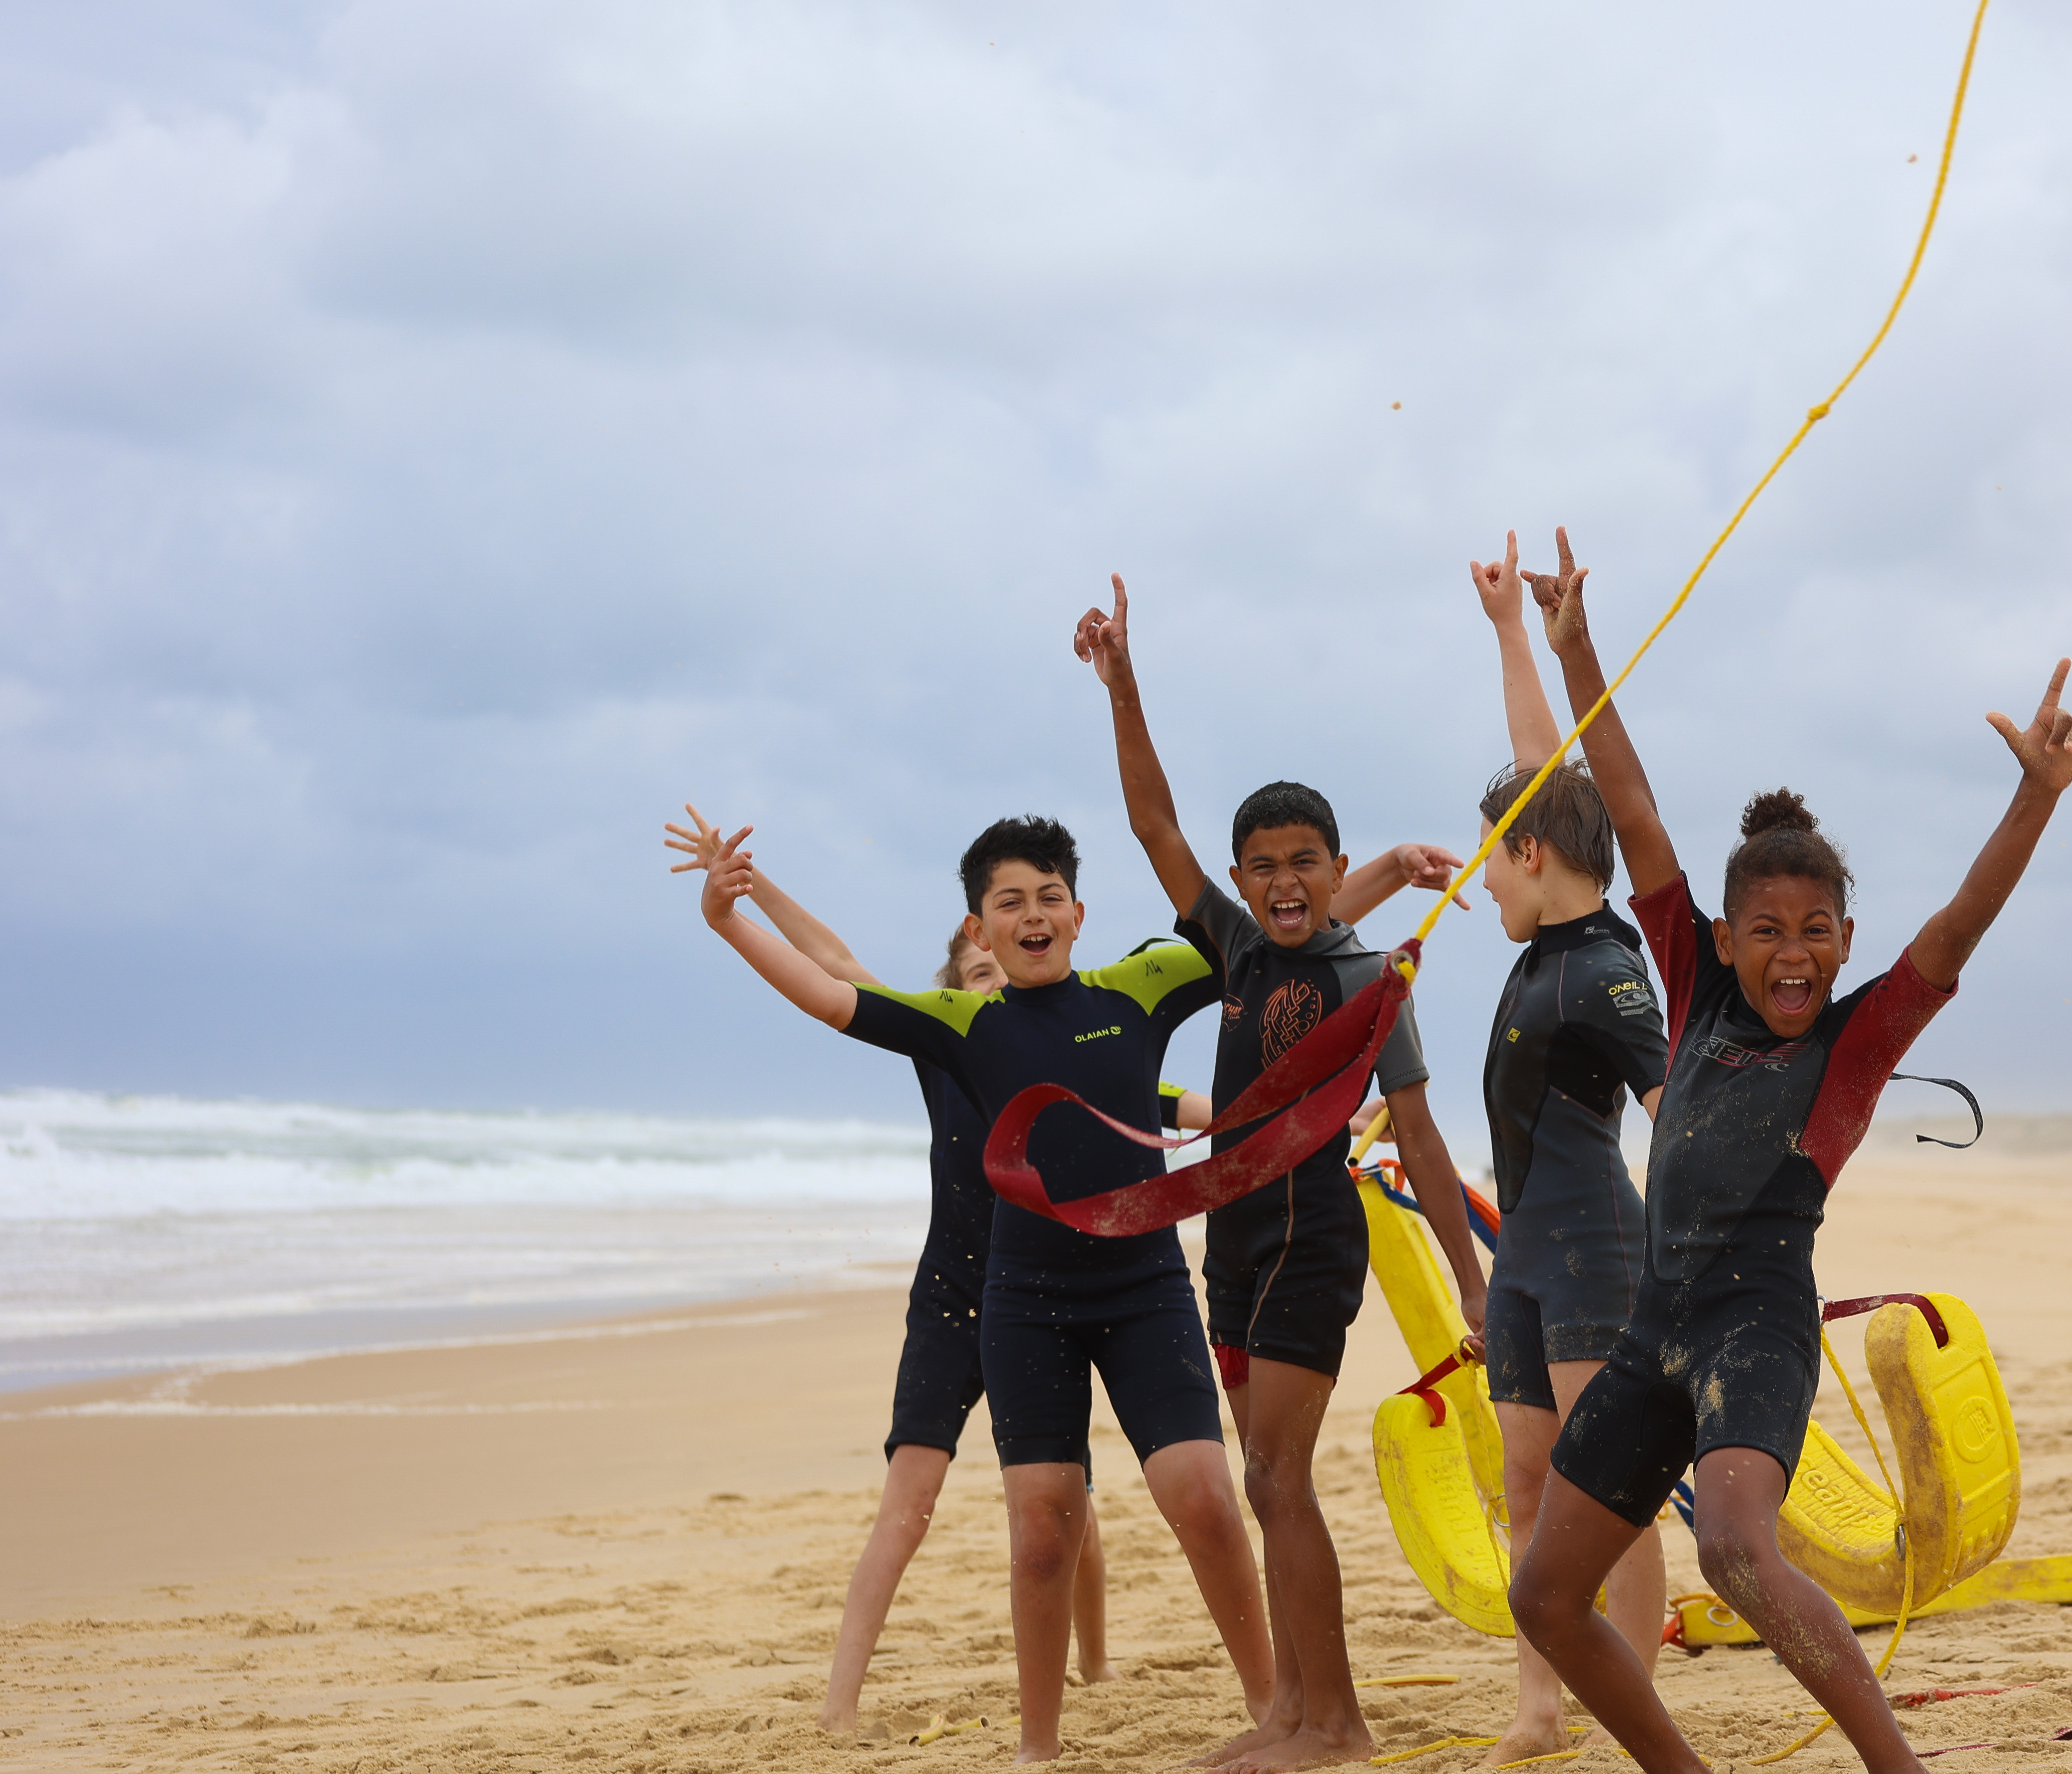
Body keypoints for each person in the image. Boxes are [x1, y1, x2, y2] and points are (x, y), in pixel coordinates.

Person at [1503, 535, 2072, 1774]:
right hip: (1652, 1324)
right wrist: (1575, 649)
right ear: (1724, 937)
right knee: (1543, 1595)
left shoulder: (1858, 1040)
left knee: (1735, 1549)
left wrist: (2035, 798)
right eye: (1767, 931)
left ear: (1847, 943)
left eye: (1817, 933)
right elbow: (1633, 805)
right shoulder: (1686, 983)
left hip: (1755, 1322)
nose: (1792, 954)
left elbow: (1959, 925)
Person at [690, 811, 1271, 1763]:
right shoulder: (955, 1027)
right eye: (1010, 904)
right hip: (1005, 1295)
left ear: (1078, 914)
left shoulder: (1133, 994)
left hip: (1141, 1284)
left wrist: (1366, 885)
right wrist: (731, 918)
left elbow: (1267, 936)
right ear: (977, 930)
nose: (1031, 919)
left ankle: (1260, 1705)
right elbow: (830, 985)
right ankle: (1034, 1748)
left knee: (1199, 1495)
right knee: (1041, 1526)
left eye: (1049, 899)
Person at [1075, 575, 1489, 1773]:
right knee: (1265, 1487)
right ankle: (1291, 1711)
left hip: (1314, 1241)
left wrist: (1467, 1284)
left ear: (1338, 863)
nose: (1283, 882)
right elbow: (1156, 827)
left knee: (1275, 1473)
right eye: (1263, 866)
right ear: (1248, 881)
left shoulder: (1370, 983)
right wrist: (1125, 685)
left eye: (1305, 860)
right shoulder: (1240, 948)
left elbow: (1416, 1132)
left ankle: (1340, 1726)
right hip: (1237, 1241)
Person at [1460, 533, 1673, 1765]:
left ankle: (1629, 1696)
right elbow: (1553, 775)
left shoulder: (1605, 974)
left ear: (1534, 858)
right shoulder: (1547, 941)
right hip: (1530, 1257)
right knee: (1532, 1485)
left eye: (1498, 857)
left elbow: (1678, 1107)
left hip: (1597, 1246)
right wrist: (1508, 635)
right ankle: (1540, 1715)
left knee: (1614, 1492)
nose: (1486, 879)